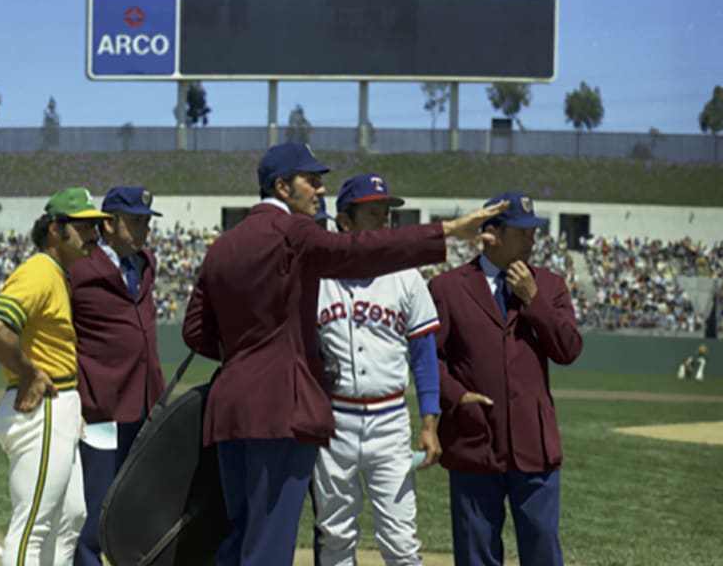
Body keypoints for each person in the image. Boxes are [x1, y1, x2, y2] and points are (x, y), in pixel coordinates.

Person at [182, 142, 508, 566]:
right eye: (312, 181)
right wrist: (445, 231)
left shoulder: (223, 245)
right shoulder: (294, 232)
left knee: (240, 534)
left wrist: (249, 357)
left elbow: (195, 333)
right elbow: (355, 252)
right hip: (281, 408)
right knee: (269, 544)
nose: (320, 190)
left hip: (229, 409)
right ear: (282, 187)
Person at [427, 191, 583, 566]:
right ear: (490, 235)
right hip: (474, 439)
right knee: (475, 550)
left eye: (534, 232)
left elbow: (568, 350)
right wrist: (457, 396)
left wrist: (534, 301)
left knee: (543, 545)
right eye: (522, 232)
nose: (532, 240)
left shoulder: (549, 286)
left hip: (535, 442)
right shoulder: (447, 289)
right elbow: (428, 358)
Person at [313, 173, 442, 566]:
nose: (384, 222)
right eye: (373, 214)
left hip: (389, 420)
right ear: (344, 221)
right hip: (334, 421)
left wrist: (429, 423)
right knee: (334, 538)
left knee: (401, 541)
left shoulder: (406, 276)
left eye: (386, 213)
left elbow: (423, 354)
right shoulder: (316, 278)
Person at [0, 187, 110, 566]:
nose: (93, 235)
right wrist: (29, 372)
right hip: (42, 411)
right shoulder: (39, 270)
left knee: (71, 518)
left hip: (61, 407)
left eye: (96, 226)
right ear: (55, 228)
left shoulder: (57, 273)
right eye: (83, 226)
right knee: (33, 527)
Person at [69, 186, 166, 566]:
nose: (145, 228)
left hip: (146, 404)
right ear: (108, 224)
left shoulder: (146, 263)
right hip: (100, 408)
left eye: (147, 220)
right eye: (136, 220)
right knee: (94, 514)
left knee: (139, 511)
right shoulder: (79, 267)